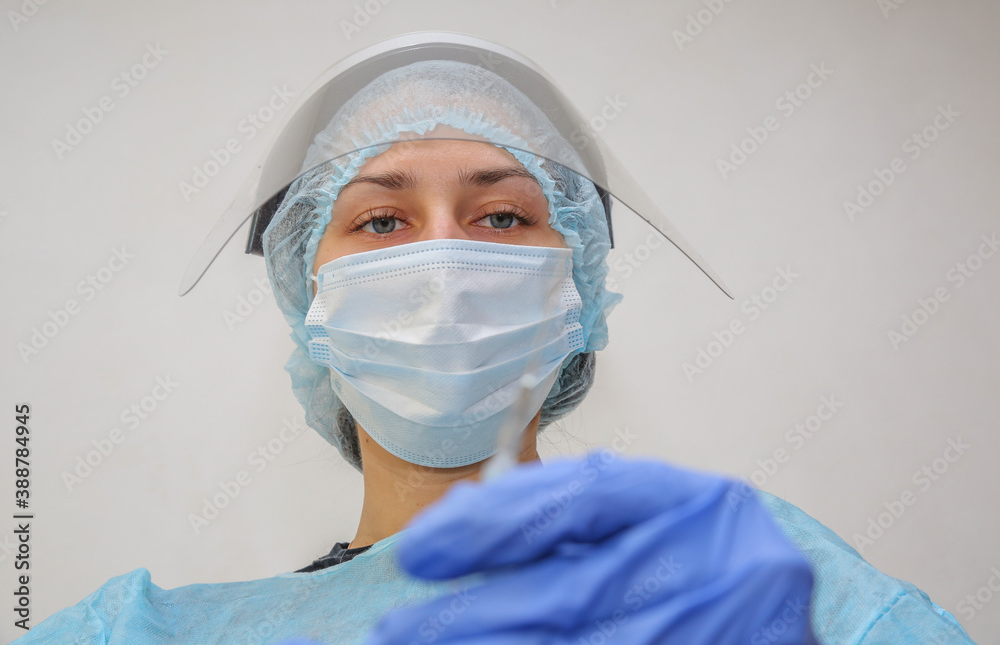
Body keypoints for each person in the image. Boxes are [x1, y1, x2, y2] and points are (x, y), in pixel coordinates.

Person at [16, 33, 974, 644]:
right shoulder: (144, 633)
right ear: (308, 294)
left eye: (505, 218)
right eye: (382, 223)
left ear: (579, 287)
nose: (443, 266)